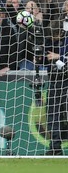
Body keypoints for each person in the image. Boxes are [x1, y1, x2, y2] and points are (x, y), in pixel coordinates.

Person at [43, 20, 68, 156]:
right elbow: (44, 57)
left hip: (66, 81)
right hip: (53, 81)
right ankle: (55, 147)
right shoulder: (49, 41)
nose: (52, 37)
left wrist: (59, 57)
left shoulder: (66, 42)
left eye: (54, 34)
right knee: (52, 115)